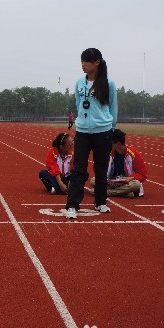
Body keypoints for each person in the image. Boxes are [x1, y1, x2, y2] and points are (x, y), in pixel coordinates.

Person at [65, 48, 117, 219]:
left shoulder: (109, 83)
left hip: (103, 131)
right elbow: (79, 103)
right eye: (81, 61)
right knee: (79, 168)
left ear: (97, 62)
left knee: (101, 168)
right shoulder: (79, 82)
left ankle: (100, 202)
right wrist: (81, 121)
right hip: (82, 131)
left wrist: (112, 127)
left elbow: (112, 107)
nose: (83, 65)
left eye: (86, 61)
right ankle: (72, 205)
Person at [90, 129, 147, 198]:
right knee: (93, 180)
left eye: (111, 143)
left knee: (136, 184)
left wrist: (131, 178)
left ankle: (105, 192)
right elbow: (98, 169)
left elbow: (143, 175)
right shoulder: (109, 152)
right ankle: (124, 193)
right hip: (111, 181)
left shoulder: (133, 154)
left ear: (118, 144)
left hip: (126, 182)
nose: (109, 144)